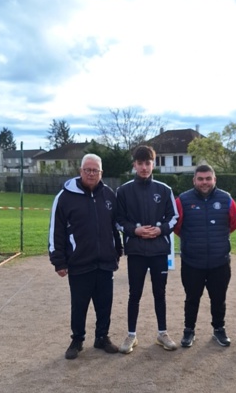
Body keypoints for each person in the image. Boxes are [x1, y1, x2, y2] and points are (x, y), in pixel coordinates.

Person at [49, 153, 123, 359]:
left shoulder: (109, 195)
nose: (91, 173)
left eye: (95, 170)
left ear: (101, 173)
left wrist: (118, 250)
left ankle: (102, 337)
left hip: (106, 262)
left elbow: (114, 226)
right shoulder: (64, 197)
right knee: (79, 304)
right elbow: (56, 230)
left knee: (104, 303)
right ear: (80, 171)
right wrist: (58, 261)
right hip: (79, 262)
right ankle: (77, 340)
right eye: (87, 170)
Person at [116, 144, 178, 353]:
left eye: (147, 163)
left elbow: (174, 217)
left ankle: (162, 333)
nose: (144, 167)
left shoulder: (164, 190)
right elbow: (118, 220)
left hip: (159, 251)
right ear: (135, 165)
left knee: (159, 293)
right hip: (136, 252)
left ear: (153, 164)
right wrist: (135, 230)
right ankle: (131, 335)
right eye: (140, 163)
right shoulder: (123, 191)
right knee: (135, 294)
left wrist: (160, 231)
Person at [174, 163, 236, 347]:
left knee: (219, 299)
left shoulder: (226, 199)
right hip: (192, 262)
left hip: (219, 262)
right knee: (192, 298)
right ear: (194, 180)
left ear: (214, 179)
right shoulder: (183, 200)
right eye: (200, 179)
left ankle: (219, 329)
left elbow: (234, 223)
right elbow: (177, 227)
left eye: (208, 178)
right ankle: (189, 331)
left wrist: (217, 241)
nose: (205, 182)